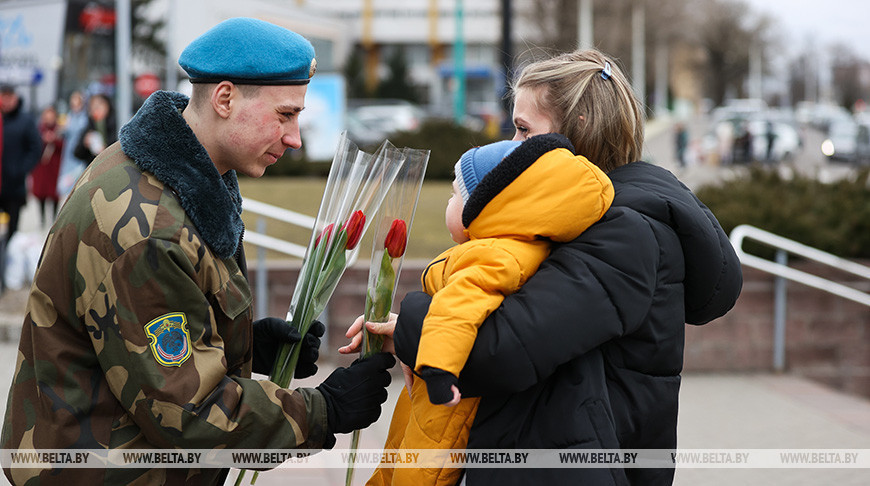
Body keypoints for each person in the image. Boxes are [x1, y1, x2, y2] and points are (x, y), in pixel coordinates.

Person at [1, 17, 395, 486]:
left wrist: (248, 344)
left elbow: (155, 334)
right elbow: (187, 413)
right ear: (225, 99)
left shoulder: (165, 173)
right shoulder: (147, 227)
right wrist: (323, 410)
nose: (295, 138)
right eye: (285, 115)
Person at [345, 49, 743, 485]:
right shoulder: (578, 224)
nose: (511, 150)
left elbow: (500, 352)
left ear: (580, 129)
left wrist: (417, 322)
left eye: (523, 130)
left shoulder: (625, 233)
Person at [370, 134, 614, 485]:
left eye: (456, 194)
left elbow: (458, 309)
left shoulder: (494, 256)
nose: (449, 202)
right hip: (443, 395)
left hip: (447, 405)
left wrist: (438, 369)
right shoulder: (511, 245)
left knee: (417, 473)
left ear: (485, 207)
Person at [0, 85, 42, 244]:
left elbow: (35, 148)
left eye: (9, 97)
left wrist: (20, 169)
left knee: (12, 233)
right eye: (3, 96)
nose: (6, 101)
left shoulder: (25, 121)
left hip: (14, 186)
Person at [30, 105, 64, 225]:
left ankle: (54, 217)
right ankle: (42, 218)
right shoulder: (38, 129)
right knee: (41, 193)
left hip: (54, 166)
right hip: (41, 166)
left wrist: (54, 139)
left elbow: (64, 146)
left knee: (54, 192)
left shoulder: (60, 129)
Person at [56, 90, 89, 202]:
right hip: (68, 154)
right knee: (66, 183)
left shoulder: (85, 118)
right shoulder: (69, 116)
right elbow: (64, 133)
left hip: (79, 154)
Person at [73, 92, 117, 164]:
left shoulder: (115, 123)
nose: (96, 110)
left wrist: (106, 150)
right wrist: (84, 144)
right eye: (92, 107)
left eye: (99, 106)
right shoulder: (89, 126)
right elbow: (77, 153)